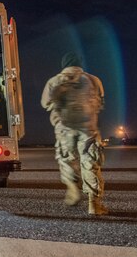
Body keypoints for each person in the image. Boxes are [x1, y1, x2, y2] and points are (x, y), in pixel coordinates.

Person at [41, 52, 108, 215]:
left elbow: (45, 103)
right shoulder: (94, 80)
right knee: (90, 162)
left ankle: (72, 186)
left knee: (66, 159)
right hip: (88, 128)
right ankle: (94, 204)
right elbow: (101, 103)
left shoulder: (54, 81)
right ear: (80, 63)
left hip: (65, 128)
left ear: (64, 64)